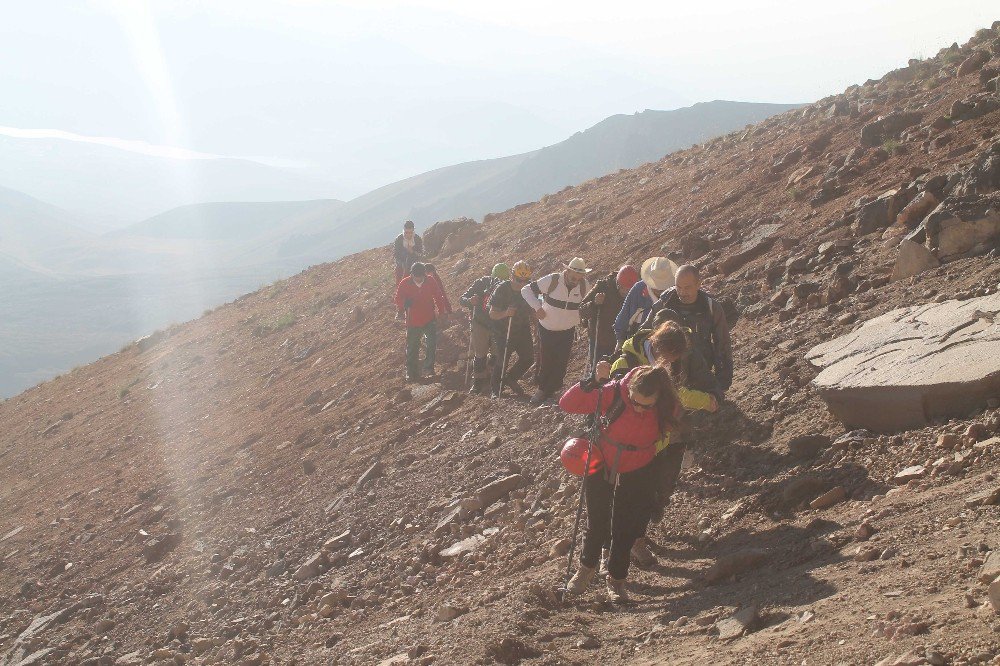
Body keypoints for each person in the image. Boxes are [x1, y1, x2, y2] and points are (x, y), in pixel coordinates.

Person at [559, 363, 683, 603]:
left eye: (647, 406)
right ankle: (586, 569)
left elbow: (670, 428)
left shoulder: (668, 403)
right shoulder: (614, 391)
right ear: (630, 390)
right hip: (602, 462)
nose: (639, 409)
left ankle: (617, 580)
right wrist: (591, 381)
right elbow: (568, 404)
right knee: (597, 520)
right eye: (634, 402)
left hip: (639, 468)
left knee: (625, 528)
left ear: (659, 397)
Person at [611, 315, 719, 566]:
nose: (673, 362)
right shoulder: (628, 361)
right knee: (633, 495)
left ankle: (636, 537)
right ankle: (628, 544)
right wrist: (705, 401)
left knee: (651, 490)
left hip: (661, 438)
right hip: (634, 444)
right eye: (671, 357)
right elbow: (673, 393)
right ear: (659, 348)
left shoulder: (665, 359)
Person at [644, 264, 734, 392]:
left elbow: (723, 343)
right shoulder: (665, 303)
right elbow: (644, 334)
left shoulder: (710, 307)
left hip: (701, 367)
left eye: (687, 287)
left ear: (698, 284)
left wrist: (723, 381)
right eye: (678, 287)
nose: (682, 292)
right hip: (669, 367)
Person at [521, 257, 592, 406]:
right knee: (547, 359)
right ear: (567, 271)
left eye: (579, 278)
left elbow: (587, 304)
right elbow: (526, 290)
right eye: (574, 277)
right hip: (547, 328)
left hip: (567, 330)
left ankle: (551, 390)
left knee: (561, 362)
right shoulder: (552, 280)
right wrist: (537, 307)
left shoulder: (585, 286)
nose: (576, 280)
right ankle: (542, 390)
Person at [393, 262, 450, 382]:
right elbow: (397, 299)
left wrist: (441, 311)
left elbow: (438, 296)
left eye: (420, 276)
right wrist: (404, 303)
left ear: (424, 274)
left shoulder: (430, 280)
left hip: (429, 318)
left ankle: (429, 368)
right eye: (416, 276)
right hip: (412, 321)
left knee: (431, 343)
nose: (418, 278)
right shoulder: (404, 283)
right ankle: (411, 372)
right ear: (412, 274)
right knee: (412, 347)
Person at [460, 263, 509, 394]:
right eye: (497, 279)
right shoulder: (481, 283)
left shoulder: (508, 288)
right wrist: (470, 301)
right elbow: (462, 299)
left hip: (498, 325)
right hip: (480, 323)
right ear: (492, 276)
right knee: (480, 354)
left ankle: (493, 380)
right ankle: (478, 382)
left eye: (502, 280)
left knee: (496, 354)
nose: (499, 283)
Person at [488, 261, 534, 397]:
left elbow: (534, 309)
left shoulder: (529, 289)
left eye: (526, 280)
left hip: (523, 328)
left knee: (528, 358)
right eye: (519, 280)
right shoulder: (502, 289)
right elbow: (492, 313)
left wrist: (537, 329)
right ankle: (495, 389)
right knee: (503, 360)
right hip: (503, 330)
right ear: (512, 277)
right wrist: (505, 313)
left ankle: (511, 378)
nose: (522, 284)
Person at [580, 265, 639, 370]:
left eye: (628, 290)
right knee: (597, 372)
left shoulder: (636, 293)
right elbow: (581, 310)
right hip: (599, 340)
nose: (625, 293)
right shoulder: (603, 287)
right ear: (617, 283)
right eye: (623, 289)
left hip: (620, 341)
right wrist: (594, 303)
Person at [613, 257, 678, 347]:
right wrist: (620, 341)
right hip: (638, 341)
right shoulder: (638, 289)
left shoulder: (675, 292)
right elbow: (624, 316)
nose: (659, 288)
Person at [393, 221, 423, 320]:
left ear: (413, 231)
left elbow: (421, 254)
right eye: (406, 232)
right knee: (400, 286)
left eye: (410, 232)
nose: (408, 234)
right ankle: (400, 310)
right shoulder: (399, 239)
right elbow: (396, 255)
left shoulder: (417, 239)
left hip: (414, 267)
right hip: (401, 266)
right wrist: (403, 261)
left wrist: (412, 252)